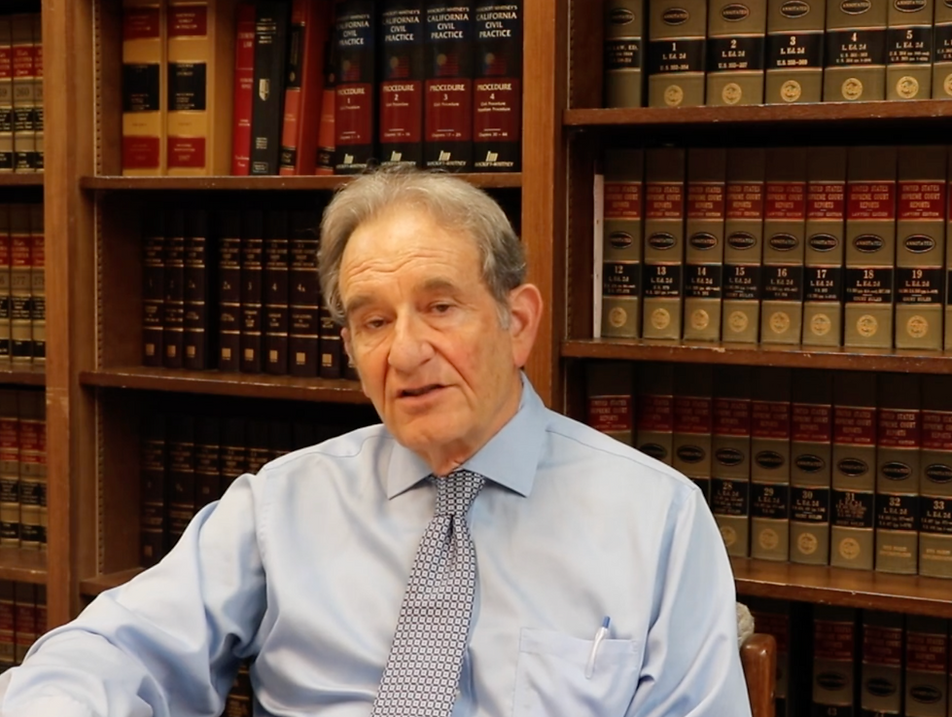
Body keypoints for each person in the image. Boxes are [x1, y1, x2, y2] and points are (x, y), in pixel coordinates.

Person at [0, 169, 751, 717]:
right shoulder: (281, 504)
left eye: (440, 306)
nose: (408, 351)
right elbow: (114, 648)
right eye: (374, 320)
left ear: (516, 322)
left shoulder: (656, 519)